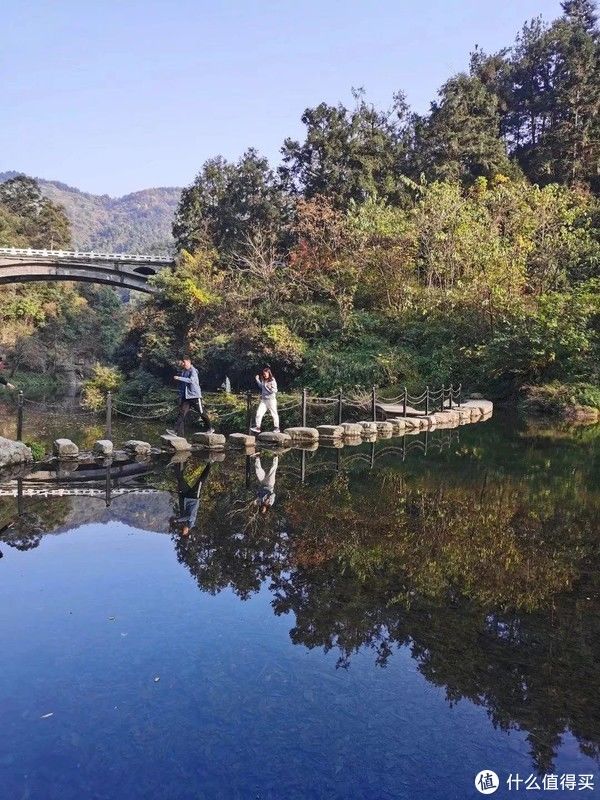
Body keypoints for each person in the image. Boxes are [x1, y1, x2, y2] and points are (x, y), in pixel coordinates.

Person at [167, 356, 214, 438]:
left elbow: (191, 381)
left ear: (189, 362)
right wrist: (181, 396)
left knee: (201, 412)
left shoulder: (193, 371)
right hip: (186, 397)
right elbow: (183, 385)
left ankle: (210, 428)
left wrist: (179, 378)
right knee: (181, 413)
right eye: (182, 363)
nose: (183, 364)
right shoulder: (184, 371)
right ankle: (174, 431)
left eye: (184, 363)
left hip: (194, 396)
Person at [172, 461, 212, 536]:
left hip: (186, 496)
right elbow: (188, 516)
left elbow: (182, 506)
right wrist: (177, 520)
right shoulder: (191, 523)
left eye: (182, 530)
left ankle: (179, 461)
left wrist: (180, 494)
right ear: (187, 531)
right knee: (200, 481)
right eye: (184, 531)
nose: (183, 529)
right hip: (194, 497)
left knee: (180, 479)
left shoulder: (184, 522)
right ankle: (210, 463)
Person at [251, 366, 279, 434]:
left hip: (271, 400)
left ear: (269, 373)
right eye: (264, 374)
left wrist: (270, 388)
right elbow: (261, 386)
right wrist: (257, 379)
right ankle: (258, 427)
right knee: (259, 413)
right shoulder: (263, 380)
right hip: (264, 400)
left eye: (266, 374)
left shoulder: (272, 380)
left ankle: (277, 428)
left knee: (274, 414)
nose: (264, 375)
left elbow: (275, 390)